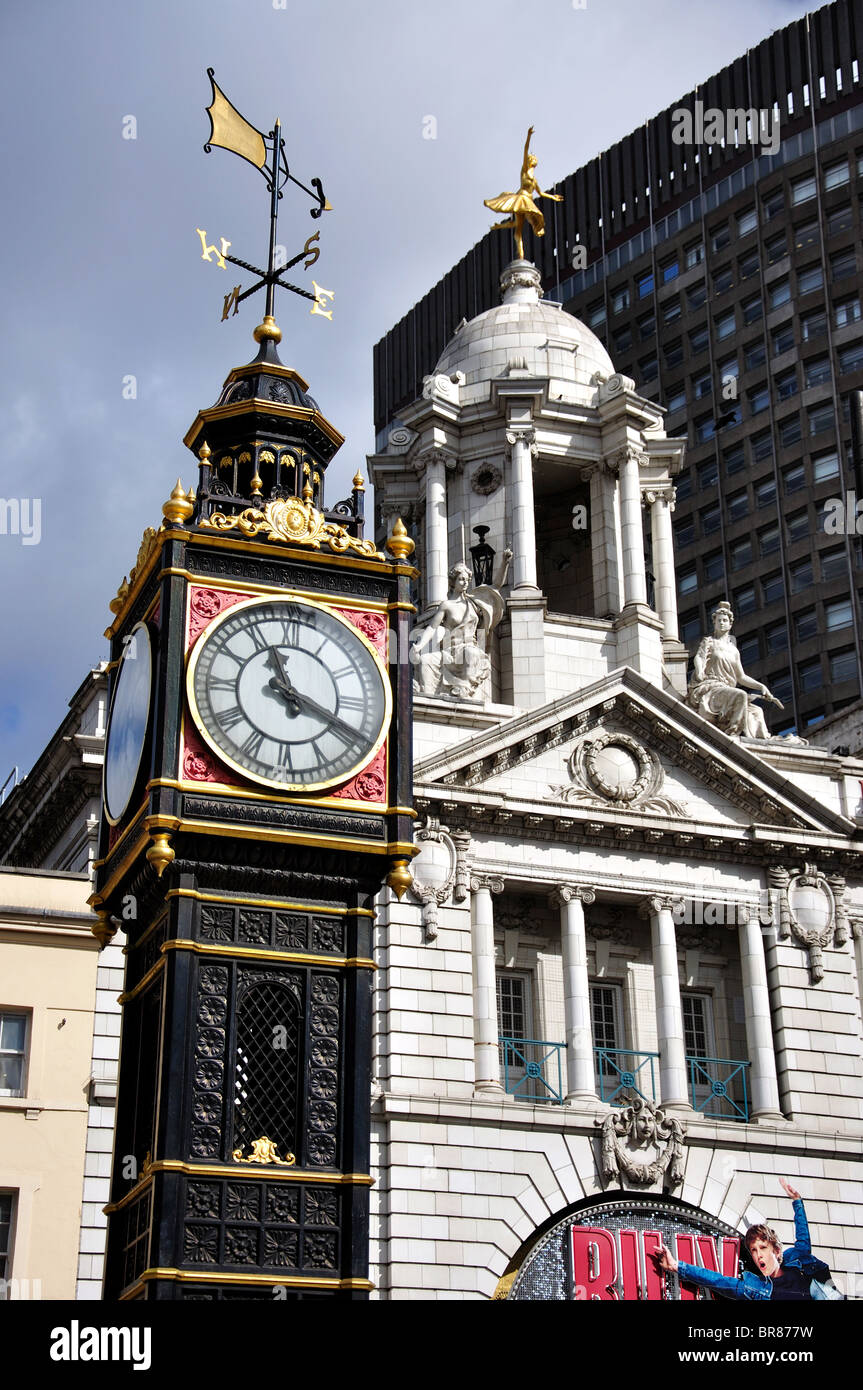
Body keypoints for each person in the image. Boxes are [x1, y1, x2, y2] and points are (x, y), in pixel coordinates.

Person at [652, 1178, 842, 1300]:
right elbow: (719, 1281)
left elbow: (803, 1240)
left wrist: (797, 1202)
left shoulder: (797, 1261)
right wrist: (678, 1266)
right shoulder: (756, 1289)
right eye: (753, 1250)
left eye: (763, 1248)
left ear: (776, 1250)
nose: (758, 1255)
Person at [687, 601, 783, 739]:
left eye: (725, 620)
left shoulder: (734, 651)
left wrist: (761, 686)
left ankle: (759, 743)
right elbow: (699, 658)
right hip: (711, 688)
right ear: (714, 623)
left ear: (730, 624)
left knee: (757, 712)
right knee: (741, 695)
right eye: (718, 620)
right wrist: (700, 670)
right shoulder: (709, 642)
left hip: (727, 690)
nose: (721, 623)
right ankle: (732, 733)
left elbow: (741, 677)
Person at [410, 561, 502, 700]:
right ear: (453, 581)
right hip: (449, 650)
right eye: (461, 579)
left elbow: (496, 586)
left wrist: (505, 562)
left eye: (466, 580)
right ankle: (429, 700)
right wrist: (419, 646)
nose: (464, 583)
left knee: (470, 653)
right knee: (425, 660)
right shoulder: (446, 605)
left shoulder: (474, 603)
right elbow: (432, 627)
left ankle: (463, 691)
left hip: (468, 647)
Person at [484, 127, 563, 260]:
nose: (534, 161)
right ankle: (521, 254)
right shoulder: (525, 171)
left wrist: (553, 197)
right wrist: (528, 136)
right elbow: (525, 150)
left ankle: (501, 227)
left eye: (534, 160)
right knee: (523, 225)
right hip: (521, 199)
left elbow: (541, 193)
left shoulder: (535, 180)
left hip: (528, 200)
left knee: (519, 225)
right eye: (533, 159)